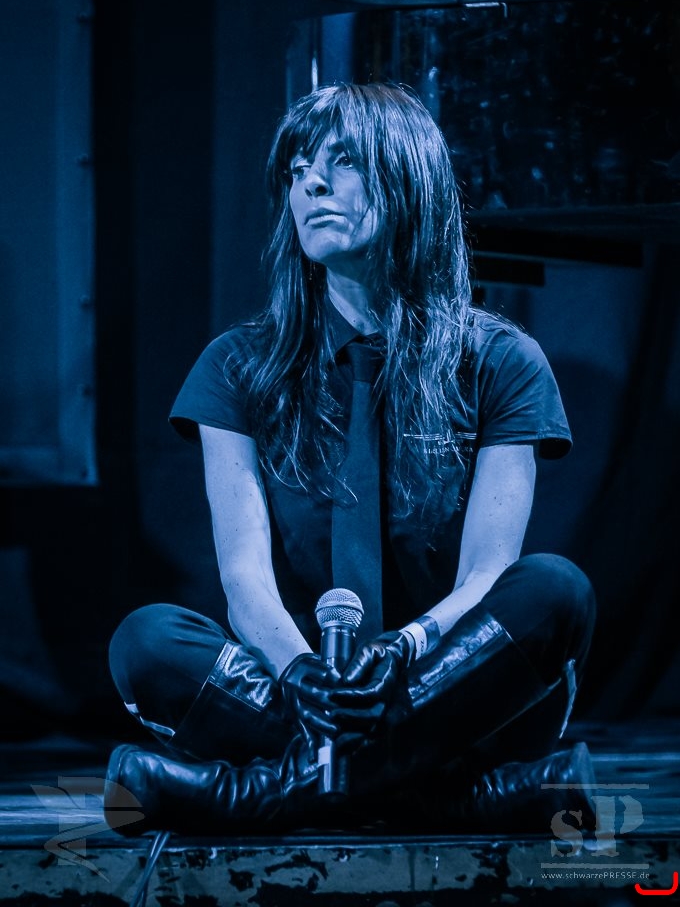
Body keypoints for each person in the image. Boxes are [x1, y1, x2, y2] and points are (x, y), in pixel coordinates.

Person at [104, 81, 597, 837]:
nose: (311, 183)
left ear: (407, 178)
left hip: (459, 688)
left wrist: (407, 649)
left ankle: (252, 795)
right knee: (146, 641)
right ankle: (467, 797)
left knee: (556, 590)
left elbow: (486, 578)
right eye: (298, 168)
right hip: (304, 694)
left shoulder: (502, 361)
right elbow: (244, 579)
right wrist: (300, 672)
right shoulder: (235, 366)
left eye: (341, 161)